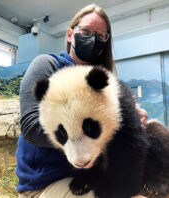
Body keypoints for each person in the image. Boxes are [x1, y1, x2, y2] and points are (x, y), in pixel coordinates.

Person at [16, 4, 148, 198]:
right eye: (86, 31)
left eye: (100, 36)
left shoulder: (104, 80)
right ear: (70, 34)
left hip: (92, 174)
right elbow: (30, 127)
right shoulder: (48, 66)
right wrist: (85, 139)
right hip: (45, 181)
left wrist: (133, 119)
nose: (92, 39)